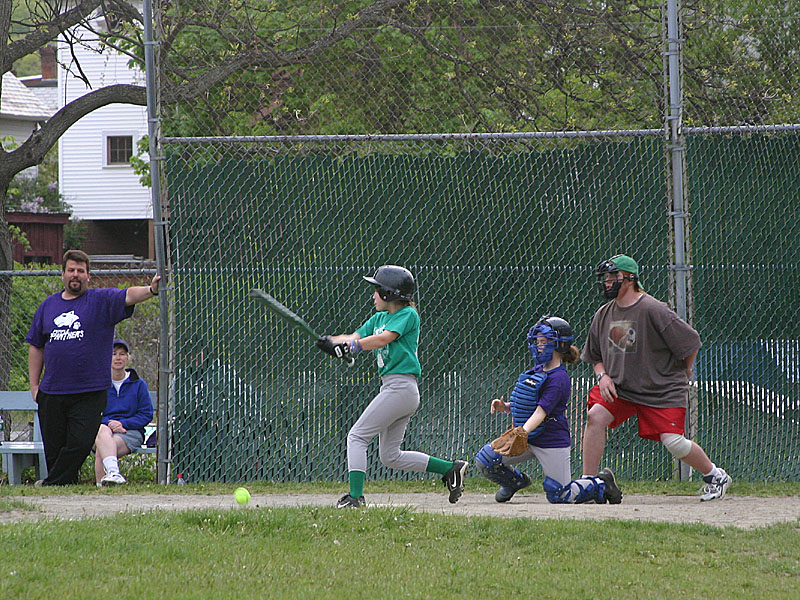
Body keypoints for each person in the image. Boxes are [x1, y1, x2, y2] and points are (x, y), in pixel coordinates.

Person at [315, 265, 468, 508]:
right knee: (390, 456)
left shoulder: (408, 315)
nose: (373, 295)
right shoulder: (379, 318)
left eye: (377, 290)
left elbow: (383, 339)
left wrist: (350, 348)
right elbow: (355, 337)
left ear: (389, 293)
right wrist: (332, 342)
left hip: (401, 387)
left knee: (356, 436)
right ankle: (451, 469)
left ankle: (356, 497)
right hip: (394, 389)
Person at [581, 254, 731, 501]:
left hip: (660, 388)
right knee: (595, 416)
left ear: (629, 278)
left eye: (612, 277)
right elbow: (595, 356)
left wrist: (686, 370)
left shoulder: (653, 308)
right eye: (605, 278)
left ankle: (716, 475)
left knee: (674, 442)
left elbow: (691, 342)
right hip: (622, 387)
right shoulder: (604, 313)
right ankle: (588, 483)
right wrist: (603, 376)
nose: (607, 282)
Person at [26, 249, 162, 486]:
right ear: (63, 274)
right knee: (55, 449)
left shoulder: (101, 301)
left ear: (89, 276)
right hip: (53, 391)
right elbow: (36, 346)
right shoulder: (48, 306)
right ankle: (61, 490)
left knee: (80, 442)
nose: (75, 275)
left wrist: (151, 290)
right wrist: (35, 385)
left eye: (81, 271)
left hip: (89, 392)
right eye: (71, 270)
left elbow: (128, 295)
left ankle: (52, 484)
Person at [475, 316, 622, 504]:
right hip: (528, 437)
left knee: (560, 494)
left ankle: (601, 483)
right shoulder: (537, 370)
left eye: (544, 342)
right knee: (486, 460)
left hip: (551, 440)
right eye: (537, 342)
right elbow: (530, 404)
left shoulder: (559, 378)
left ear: (560, 345)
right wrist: (506, 407)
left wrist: (521, 432)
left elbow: (540, 413)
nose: (539, 346)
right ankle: (514, 483)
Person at [94, 340, 154, 486]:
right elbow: (92, 412)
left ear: (128, 357)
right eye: (113, 354)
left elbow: (146, 414)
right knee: (102, 433)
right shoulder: (99, 383)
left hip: (130, 432)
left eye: (122, 354)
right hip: (103, 430)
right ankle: (113, 474)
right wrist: (109, 423)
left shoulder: (138, 384)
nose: (118, 358)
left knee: (105, 448)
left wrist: (123, 423)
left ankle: (101, 486)